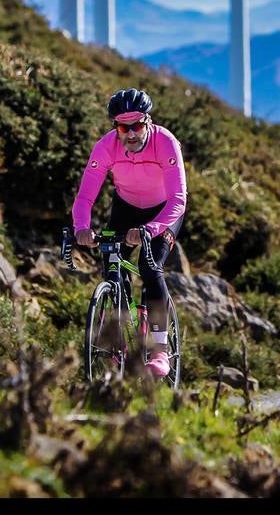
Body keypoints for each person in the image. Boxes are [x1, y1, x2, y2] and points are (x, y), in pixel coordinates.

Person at [67, 88, 186, 379]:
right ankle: (118, 337)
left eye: (137, 126)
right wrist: (82, 228)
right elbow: (84, 199)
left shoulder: (166, 143)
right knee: (111, 266)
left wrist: (150, 229)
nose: (131, 134)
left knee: (149, 266)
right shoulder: (105, 147)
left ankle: (159, 350)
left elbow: (178, 199)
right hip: (125, 208)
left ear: (148, 121)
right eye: (123, 127)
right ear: (115, 127)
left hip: (162, 213)